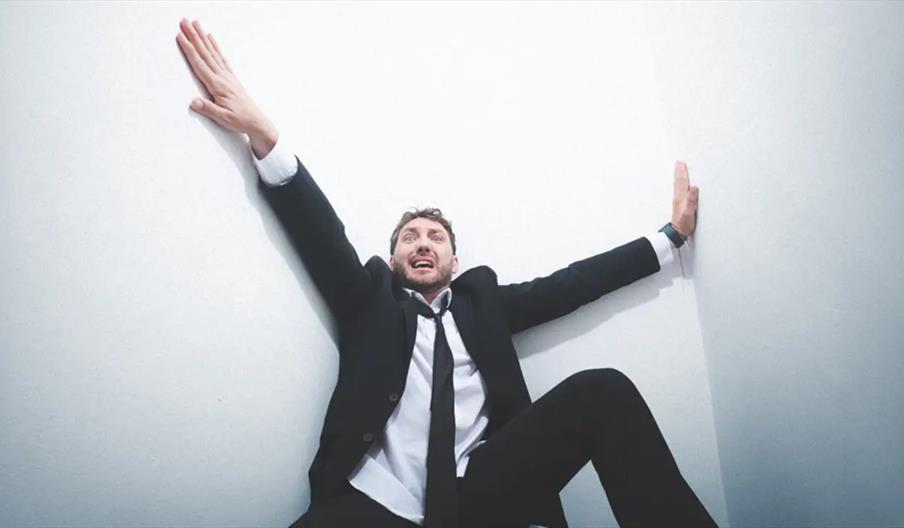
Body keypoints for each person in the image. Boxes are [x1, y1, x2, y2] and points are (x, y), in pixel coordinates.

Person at [177, 18, 715, 528]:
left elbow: (573, 284)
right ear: (394, 260)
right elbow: (322, 238)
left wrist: (668, 240)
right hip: (370, 501)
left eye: (435, 237)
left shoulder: (486, 304)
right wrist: (264, 135)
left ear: (454, 262)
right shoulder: (370, 300)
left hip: (479, 493)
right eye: (410, 237)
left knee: (604, 392)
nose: (423, 243)